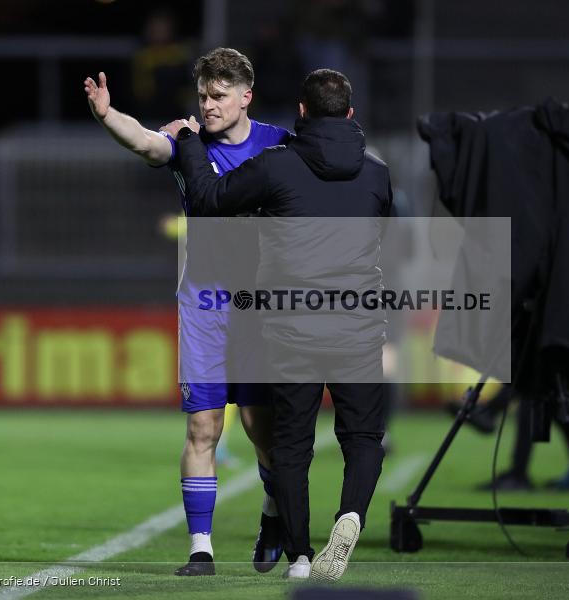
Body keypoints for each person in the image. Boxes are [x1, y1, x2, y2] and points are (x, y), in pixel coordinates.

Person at [164, 69, 392, 581]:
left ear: (302, 112)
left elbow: (209, 199)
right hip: (357, 324)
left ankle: (300, 557)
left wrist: (187, 140)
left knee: (290, 444)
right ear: (350, 115)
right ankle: (350, 514)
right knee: (363, 436)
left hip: (293, 325)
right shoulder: (376, 173)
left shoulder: (278, 166)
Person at [84, 47, 290, 576]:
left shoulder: (278, 144)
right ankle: (202, 549)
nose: (209, 104)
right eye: (203, 95)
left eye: (219, 96)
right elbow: (145, 142)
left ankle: (273, 510)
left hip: (257, 307)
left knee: (259, 426)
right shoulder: (186, 140)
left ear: (246, 96)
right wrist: (108, 115)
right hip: (204, 305)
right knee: (203, 428)